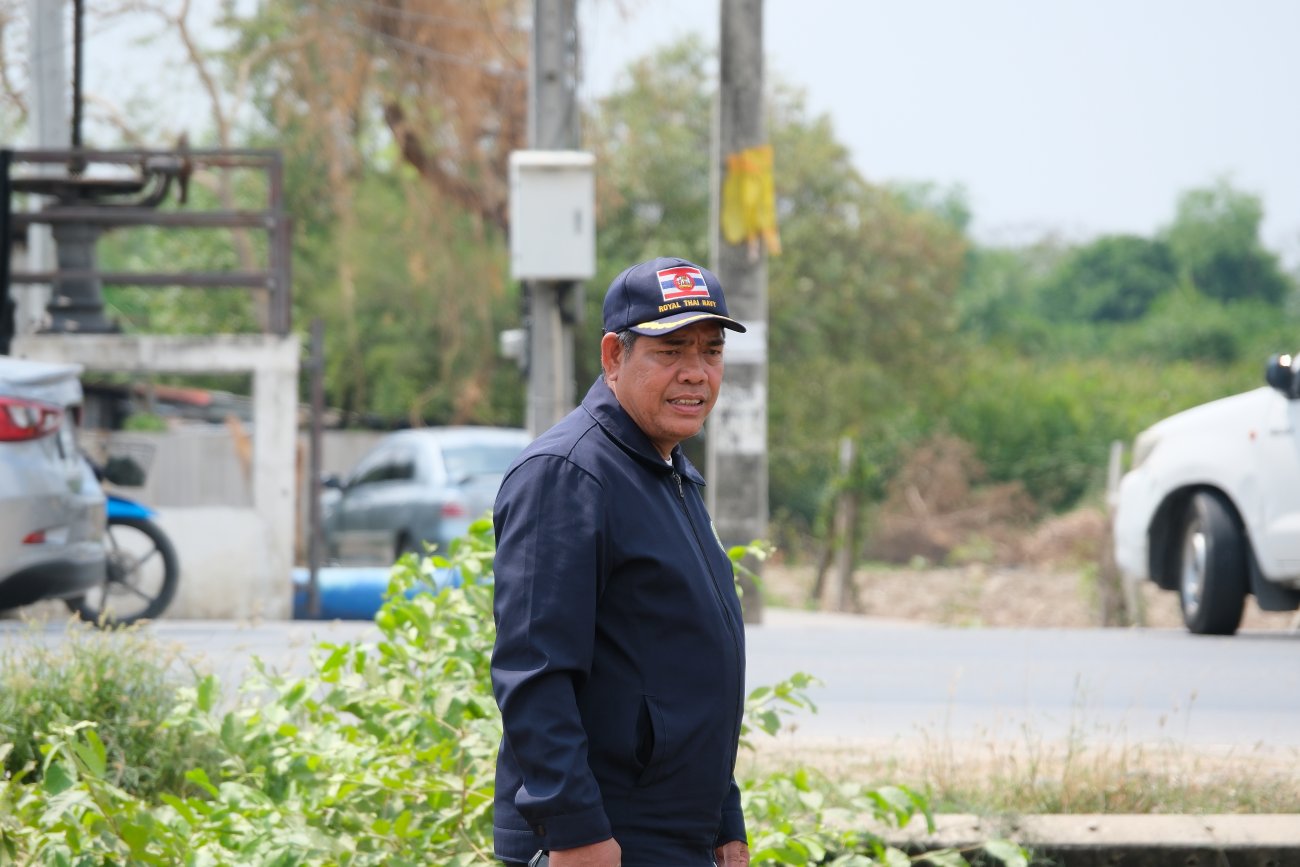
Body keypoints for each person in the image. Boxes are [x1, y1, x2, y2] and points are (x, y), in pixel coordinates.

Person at [490, 256, 752, 867]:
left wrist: (724, 819)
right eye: (670, 352)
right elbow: (535, 671)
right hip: (603, 838)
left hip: (673, 835)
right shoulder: (568, 475)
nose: (696, 373)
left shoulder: (667, 471)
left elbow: (685, 672)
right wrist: (574, 830)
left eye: (711, 352)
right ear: (614, 356)